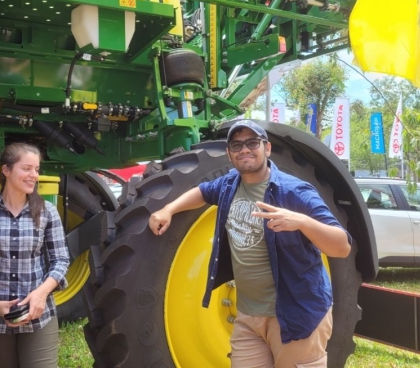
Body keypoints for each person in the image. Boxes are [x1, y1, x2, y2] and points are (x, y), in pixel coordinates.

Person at [148, 120, 351, 368]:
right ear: (229, 154)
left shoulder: (294, 191)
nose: (245, 149)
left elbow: (342, 247)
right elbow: (202, 191)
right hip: (248, 317)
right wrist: (168, 209)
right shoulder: (229, 184)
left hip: (295, 316)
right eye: (237, 145)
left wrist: (301, 222)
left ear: (267, 148)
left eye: (252, 143)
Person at [0, 142, 70, 368]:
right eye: (26, 168)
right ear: (6, 170)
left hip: (39, 317)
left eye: (36, 169)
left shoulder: (46, 211)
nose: (33, 175)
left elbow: (61, 260)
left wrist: (40, 294)